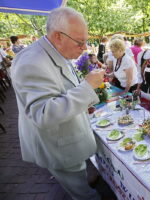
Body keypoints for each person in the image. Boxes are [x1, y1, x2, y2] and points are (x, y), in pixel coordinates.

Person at [11, 7, 107, 200]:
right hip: (59, 146)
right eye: (80, 42)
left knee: (80, 180)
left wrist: (83, 94)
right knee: (83, 194)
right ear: (58, 36)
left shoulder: (52, 51)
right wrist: (87, 88)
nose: (85, 48)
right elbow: (43, 114)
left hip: (66, 137)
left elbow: (62, 88)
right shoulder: (32, 61)